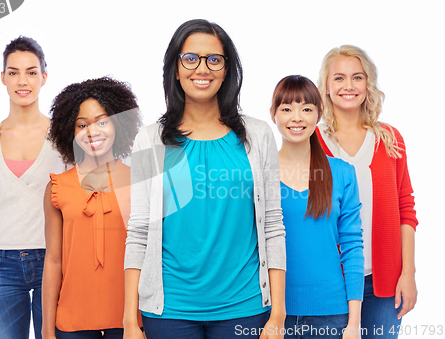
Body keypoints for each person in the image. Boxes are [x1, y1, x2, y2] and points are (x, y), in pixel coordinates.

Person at [123, 19, 286, 339]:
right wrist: (130, 320)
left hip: (245, 307)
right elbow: (139, 231)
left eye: (214, 59)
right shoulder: (150, 140)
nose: (203, 68)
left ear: (227, 69)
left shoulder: (258, 136)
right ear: (175, 68)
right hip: (169, 311)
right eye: (191, 58)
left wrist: (277, 313)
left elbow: (272, 224)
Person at [0, 36, 65, 339]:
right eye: (14, 72)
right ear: (3, 78)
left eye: (31, 72)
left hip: (55, 258)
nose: (23, 81)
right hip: (0, 265)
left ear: (44, 77)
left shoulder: (64, 136)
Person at [316, 45, 418, 339]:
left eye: (357, 77)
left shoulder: (389, 139)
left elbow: (406, 209)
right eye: (339, 78)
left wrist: (408, 274)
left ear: (368, 84)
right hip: (329, 281)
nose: (348, 85)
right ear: (326, 86)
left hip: (382, 282)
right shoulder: (311, 140)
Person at [42, 76, 142, 339]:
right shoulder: (57, 187)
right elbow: (52, 261)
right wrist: (46, 329)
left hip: (129, 319)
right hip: (71, 321)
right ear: (70, 131)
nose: (92, 131)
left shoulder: (139, 181)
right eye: (81, 124)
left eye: (102, 121)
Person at [270, 75, 364, 339]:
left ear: (319, 114)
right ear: (273, 114)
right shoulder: (261, 174)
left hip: (332, 315)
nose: (296, 117)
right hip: (273, 313)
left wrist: (354, 323)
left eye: (306, 109)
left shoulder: (343, 173)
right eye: (286, 109)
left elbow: (352, 246)